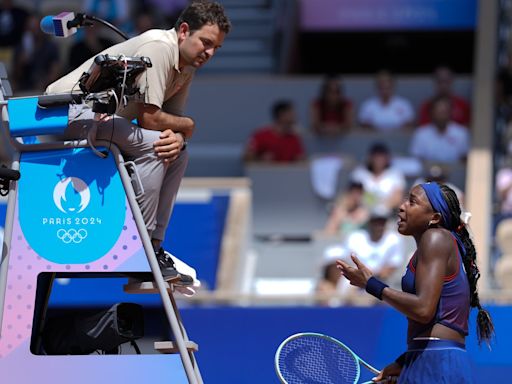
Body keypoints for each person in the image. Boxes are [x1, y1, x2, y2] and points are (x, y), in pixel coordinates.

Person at [45, 1, 231, 284]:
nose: (209, 53)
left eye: (216, 48)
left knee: (177, 153)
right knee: (156, 149)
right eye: (206, 42)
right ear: (183, 31)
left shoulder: (187, 66)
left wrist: (179, 137)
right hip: (64, 114)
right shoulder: (159, 47)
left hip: (103, 120)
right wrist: (188, 127)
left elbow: (171, 119)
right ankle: (138, 249)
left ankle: (154, 246)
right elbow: (151, 120)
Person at [337, 182, 495, 383]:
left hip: (436, 362)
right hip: (428, 357)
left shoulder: (435, 238)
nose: (402, 206)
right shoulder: (432, 245)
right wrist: (405, 363)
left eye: (412, 202)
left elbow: (423, 309)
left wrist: (371, 284)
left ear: (434, 218)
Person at [343, 205, 404, 284]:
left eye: (382, 221)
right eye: (376, 221)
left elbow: (392, 266)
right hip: (357, 278)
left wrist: (370, 277)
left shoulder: (394, 239)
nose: (379, 225)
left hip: (382, 281)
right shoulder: (355, 237)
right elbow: (347, 261)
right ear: (370, 221)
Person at [409, 95, 470, 164]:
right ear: (432, 113)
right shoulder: (420, 133)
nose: (441, 116)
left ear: (450, 113)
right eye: (438, 112)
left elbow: (464, 159)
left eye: (444, 112)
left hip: (455, 173)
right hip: (426, 173)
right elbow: (417, 160)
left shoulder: (461, 133)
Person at [350, 142, 406, 210]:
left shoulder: (395, 174)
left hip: (387, 212)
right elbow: (354, 195)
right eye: (376, 157)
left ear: (387, 158)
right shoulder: (359, 173)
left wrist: (381, 208)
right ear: (370, 158)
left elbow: (398, 198)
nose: (379, 160)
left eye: (381, 157)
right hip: (362, 211)